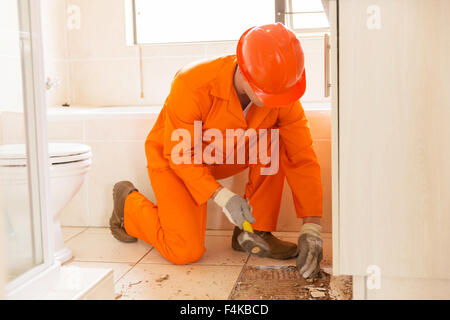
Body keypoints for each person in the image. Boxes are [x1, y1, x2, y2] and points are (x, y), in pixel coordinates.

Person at [109, 23, 323, 279]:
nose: (276, 103)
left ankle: (256, 230)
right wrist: (224, 198)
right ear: (245, 73)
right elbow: (182, 156)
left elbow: (300, 155)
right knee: (184, 251)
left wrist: (312, 226)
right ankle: (127, 205)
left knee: (276, 142)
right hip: (177, 158)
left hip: (228, 151)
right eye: (268, 95)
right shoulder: (192, 84)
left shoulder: (281, 90)